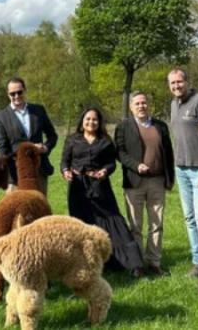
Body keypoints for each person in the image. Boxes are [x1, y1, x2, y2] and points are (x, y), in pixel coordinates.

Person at [61, 107, 145, 277]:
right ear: (82, 121)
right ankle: (86, 265)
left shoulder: (105, 141)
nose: (91, 122)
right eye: (88, 119)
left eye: (94, 120)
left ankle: (132, 263)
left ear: (99, 123)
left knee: (114, 222)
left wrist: (105, 171)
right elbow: (64, 161)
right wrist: (66, 172)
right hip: (78, 188)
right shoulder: (72, 140)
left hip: (100, 187)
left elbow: (112, 163)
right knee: (82, 225)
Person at [167, 68, 198, 291]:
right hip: (182, 169)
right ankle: (197, 263)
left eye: (180, 81)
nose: (177, 86)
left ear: (187, 81)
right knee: (189, 218)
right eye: (172, 83)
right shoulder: (173, 105)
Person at [114, 91, 175, 278]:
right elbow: (120, 153)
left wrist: (170, 178)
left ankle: (154, 263)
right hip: (134, 183)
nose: (141, 106)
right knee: (136, 226)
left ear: (148, 105)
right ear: (131, 107)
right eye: (137, 103)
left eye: (144, 103)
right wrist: (135, 165)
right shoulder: (123, 127)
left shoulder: (161, 126)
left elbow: (168, 153)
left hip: (157, 181)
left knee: (157, 224)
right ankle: (138, 264)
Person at [0, 77, 58, 194]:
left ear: (24, 90)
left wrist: (45, 148)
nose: (17, 96)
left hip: (39, 171)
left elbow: (53, 136)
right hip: (16, 175)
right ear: (8, 95)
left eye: (19, 92)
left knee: (40, 210)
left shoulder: (38, 110)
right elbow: (1, 149)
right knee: (17, 211)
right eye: (13, 94)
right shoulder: (1, 117)